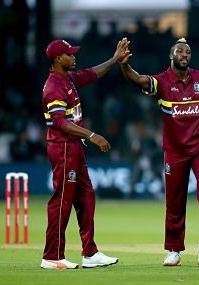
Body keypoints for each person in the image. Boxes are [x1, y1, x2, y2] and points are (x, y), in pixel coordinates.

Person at [120, 37, 199, 266]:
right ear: (171, 56)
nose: (184, 55)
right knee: (174, 202)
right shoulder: (162, 82)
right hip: (174, 150)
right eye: (180, 51)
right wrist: (124, 65)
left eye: (188, 52)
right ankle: (174, 250)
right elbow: (138, 80)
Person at [40, 38, 130, 269]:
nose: (74, 56)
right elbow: (59, 122)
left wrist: (114, 59)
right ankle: (52, 256)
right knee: (62, 200)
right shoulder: (54, 87)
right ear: (58, 59)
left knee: (87, 198)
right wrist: (91, 135)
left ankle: (90, 253)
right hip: (63, 148)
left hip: (74, 147)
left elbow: (92, 74)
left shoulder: (68, 78)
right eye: (69, 54)